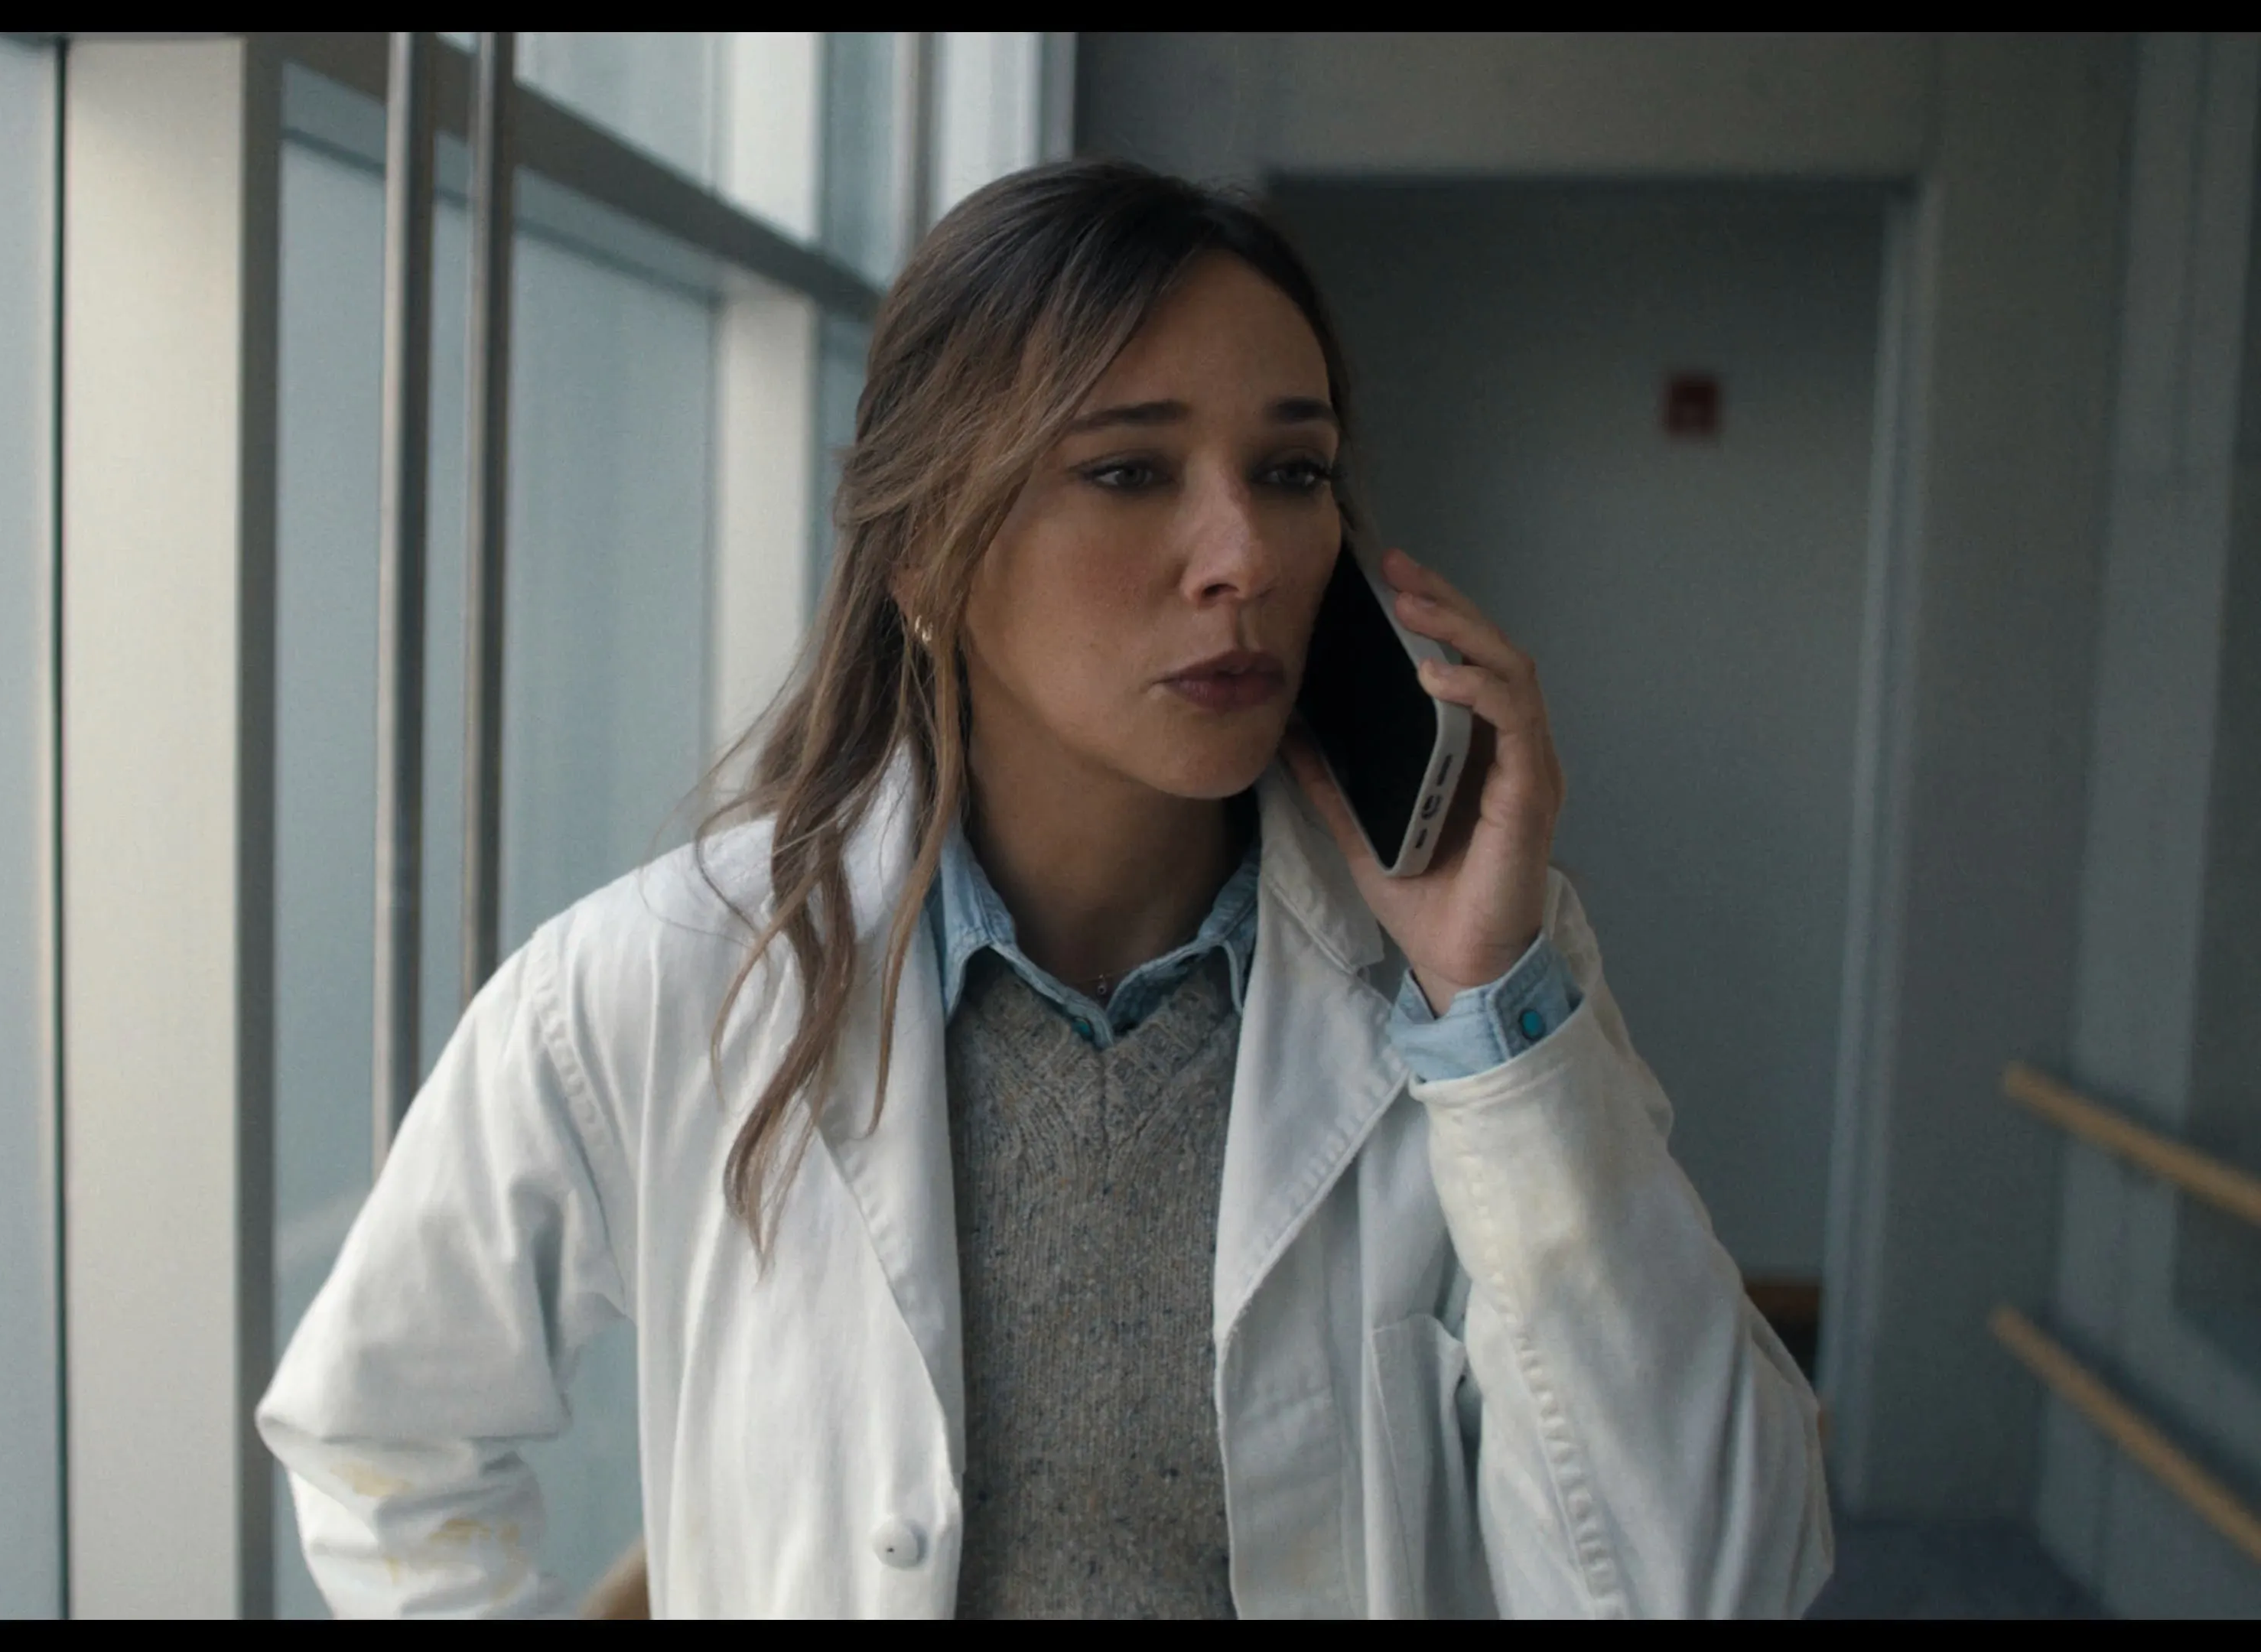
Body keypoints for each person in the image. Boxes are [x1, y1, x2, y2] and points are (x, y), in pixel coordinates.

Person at [255, 158, 1832, 1618]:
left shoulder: (1463, 1003)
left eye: (1292, 470)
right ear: (929, 547)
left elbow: (1712, 1579)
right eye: (1131, 470)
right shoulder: (660, 982)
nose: (1243, 555)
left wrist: (1494, 1022)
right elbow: (379, 1441)